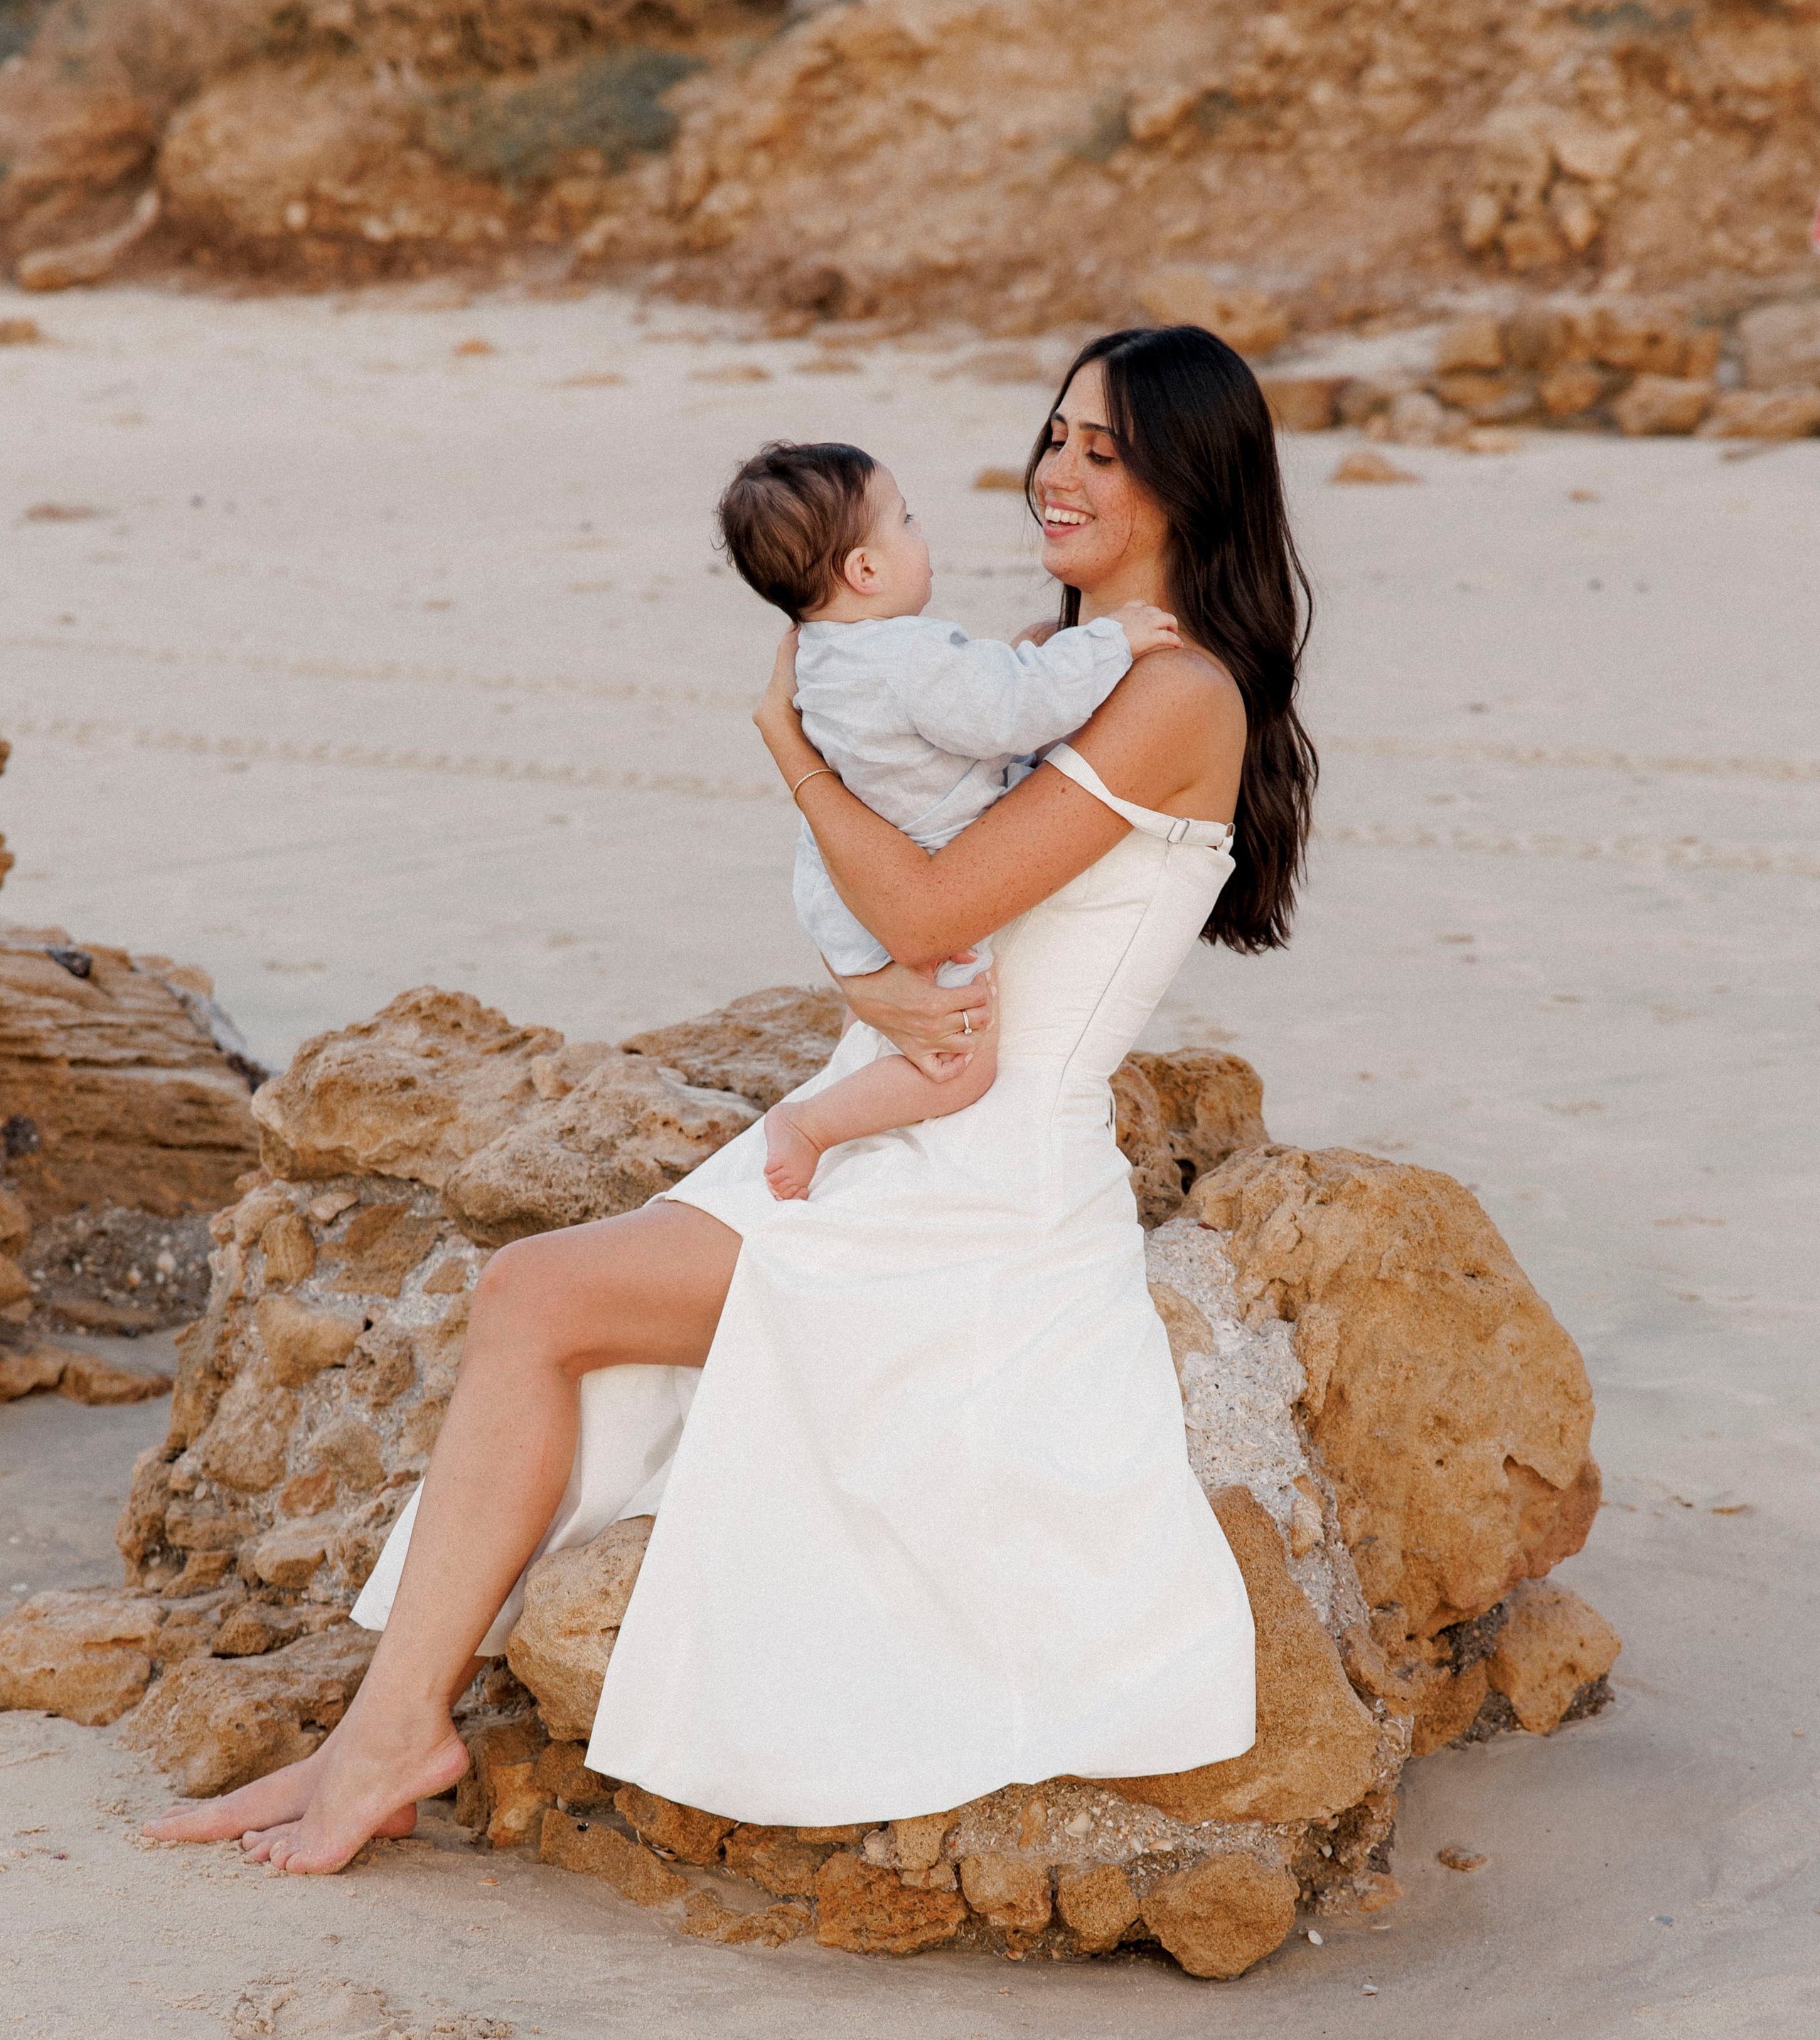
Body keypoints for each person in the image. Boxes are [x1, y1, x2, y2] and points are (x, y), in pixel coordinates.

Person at [146, 321, 1317, 1874]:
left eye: (1104, 451)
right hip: (892, 1119)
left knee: (533, 1295)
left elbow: (917, 909)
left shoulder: (1171, 691)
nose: (1056, 472)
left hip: (967, 1186)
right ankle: (385, 1727)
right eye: (1053, 435)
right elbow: (929, 932)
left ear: (1189, 477)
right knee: (538, 1306)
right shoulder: (1027, 677)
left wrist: (791, 750)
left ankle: (387, 1733)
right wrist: (861, 981)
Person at [713, 435, 1183, 1197]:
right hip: (923, 872)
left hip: (840, 890)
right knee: (958, 1071)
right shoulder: (907, 654)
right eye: (907, 520)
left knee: (896, 1034)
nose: (921, 535)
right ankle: (812, 1124)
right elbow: (1013, 709)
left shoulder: (822, 658)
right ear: (864, 570)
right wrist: (1110, 641)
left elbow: (918, 736)